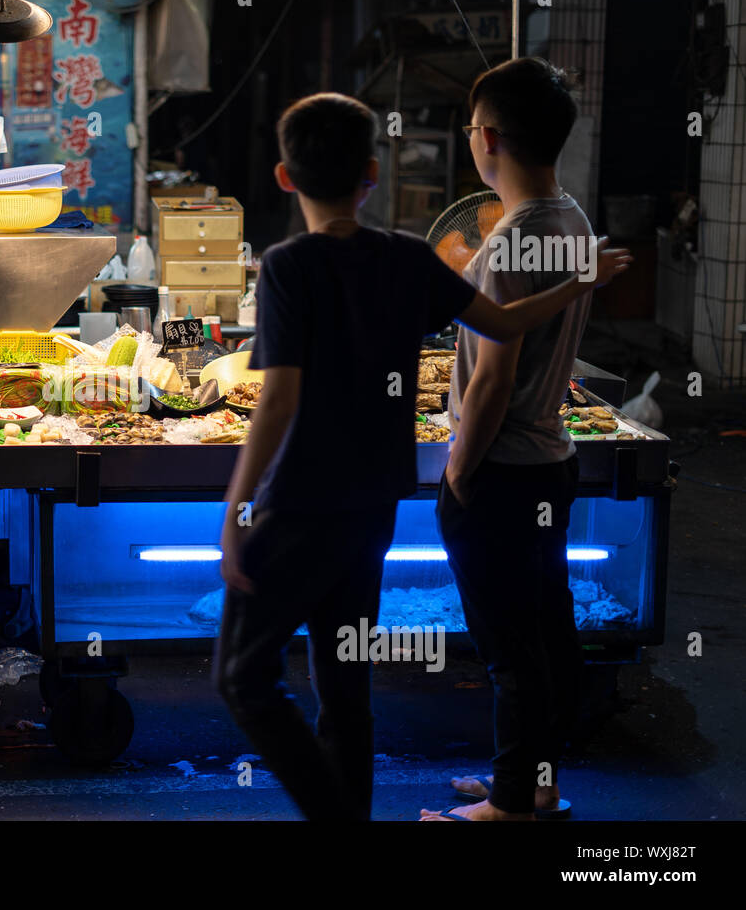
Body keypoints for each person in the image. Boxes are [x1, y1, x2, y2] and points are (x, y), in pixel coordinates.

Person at [214, 92, 629, 821]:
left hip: (303, 502)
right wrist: (580, 282)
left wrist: (237, 509)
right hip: (374, 505)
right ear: (372, 172)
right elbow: (501, 324)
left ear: (284, 178)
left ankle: (333, 815)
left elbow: (278, 401)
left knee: (244, 678)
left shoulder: (287, 266)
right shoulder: (407, 257)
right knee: (344, 680)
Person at [421, 58, 603, 823]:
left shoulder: (507, 244)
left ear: (487, 137)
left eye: (470, 129)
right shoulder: (572, 222)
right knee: (546, 636)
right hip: (552, 461)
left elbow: (492, 381)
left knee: (509, 650)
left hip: (501, 469)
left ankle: (508, 809)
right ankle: (533, 783)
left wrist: (459, 470)